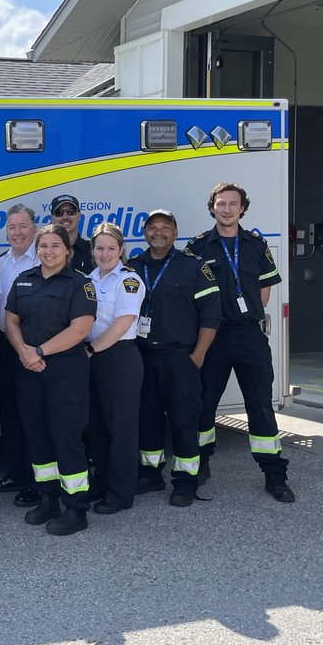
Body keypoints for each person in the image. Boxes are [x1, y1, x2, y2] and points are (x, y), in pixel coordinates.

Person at [187, 182, 293, 502]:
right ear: (213, 207)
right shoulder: (198, 247)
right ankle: (201, 464)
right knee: (204, 403)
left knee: (260, 405)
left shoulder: (256, 245)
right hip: (213, 335)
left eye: (233, 204)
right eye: (221, 203)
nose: (227, 209)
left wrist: (248, 315)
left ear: (242, 208)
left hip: (249, 335)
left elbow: (264, 289)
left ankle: (274, 474)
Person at [4, 224, 97, 536]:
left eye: (55, 246)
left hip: (64, 373)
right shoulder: (24, 280)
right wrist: (23, 352)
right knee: (37, 436)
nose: (48, 251)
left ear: (67, 250)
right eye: (43, 246)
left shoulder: (79, 284)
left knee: (66, 438)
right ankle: (48, 498)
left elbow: (80, 329)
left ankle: (76, 508)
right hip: (29, 371)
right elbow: (11, 319)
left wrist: (39, 351)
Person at [127, 210, 220, 508]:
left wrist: (197, 357)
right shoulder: (132, 266)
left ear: (175, 232)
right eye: (152, 228)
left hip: (181, 358)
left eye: (165, 228)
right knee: (147, 419)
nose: (158, 233)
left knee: (183, 422)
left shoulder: (193, 267)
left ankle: (185, 482)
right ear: (145, 233)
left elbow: (211, 316)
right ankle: (151, 474)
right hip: (142, 356)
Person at [83, 223, 144, 515]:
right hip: (92, 358)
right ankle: (102, 481)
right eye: (99, 248)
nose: (104, 253)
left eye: (111, 248)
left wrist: (91, 349)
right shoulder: (89, 279)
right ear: (92, 250)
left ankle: (121, 492)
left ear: (121, 250)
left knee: (121, 430)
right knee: (97, 427)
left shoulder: (128, 280)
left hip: (118, 358)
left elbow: (122, 323)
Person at [0, 203, 39, 503]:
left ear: (34, 229)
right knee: (9, 412)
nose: (17, 232)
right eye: (12, 227)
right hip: (6, 346)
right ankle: (17, 471)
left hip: (35, 347)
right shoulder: (1, 262)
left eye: (23, 226)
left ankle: (36, 479)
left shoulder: (45, 257)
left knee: (33, 415)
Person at [48, 194, 93, 274]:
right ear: (52, 218)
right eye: (59, 213)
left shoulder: (92, 251)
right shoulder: (43, 251)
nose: (65, 217)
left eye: (71, 212)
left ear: (79, 216)